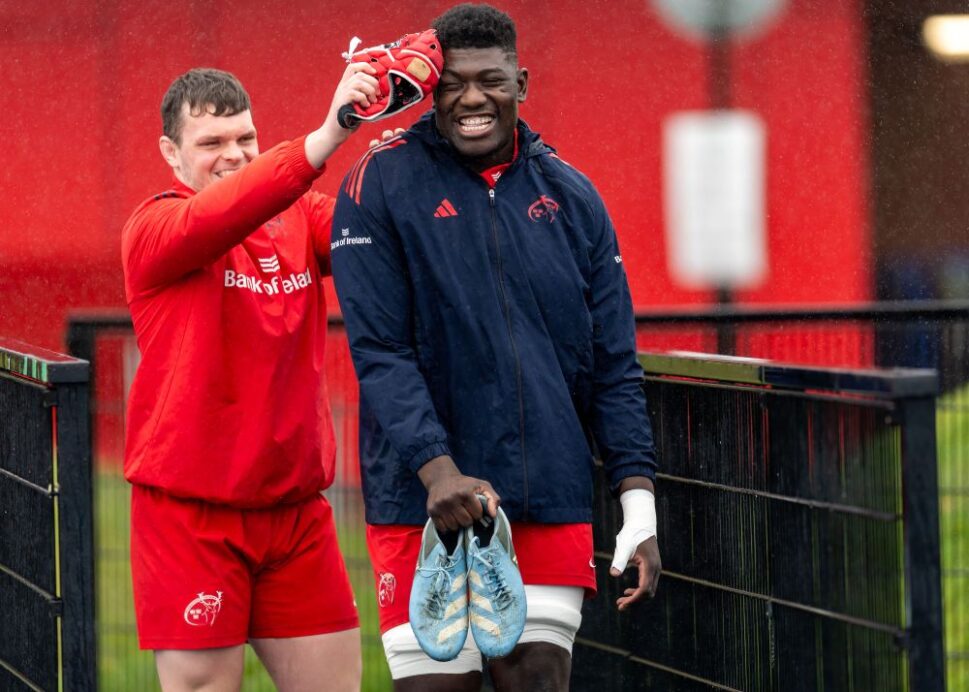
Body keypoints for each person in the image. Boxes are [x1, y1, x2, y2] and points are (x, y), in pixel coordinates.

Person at [331, 4, 662, 690]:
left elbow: (613, 365)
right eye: (452, 82)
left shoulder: (573, 197)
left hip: (547, 495)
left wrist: (637, 501)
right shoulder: (377, 185)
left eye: (492, 80)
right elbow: (379, 351)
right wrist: (436, 471)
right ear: (431, 89)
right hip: (419, 505)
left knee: (537, 678)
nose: (473, 98)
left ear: (522, 82)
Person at [121, 63, 381, 691]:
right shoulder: (153, 229)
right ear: (171, 154)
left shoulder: (301, 216)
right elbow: (218, 216)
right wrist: (326, 135)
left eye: (245, 140)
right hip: (191, 516)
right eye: (211, 143)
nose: (232, 156)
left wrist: (408, 127)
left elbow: (379, 230)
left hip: (296, 514)